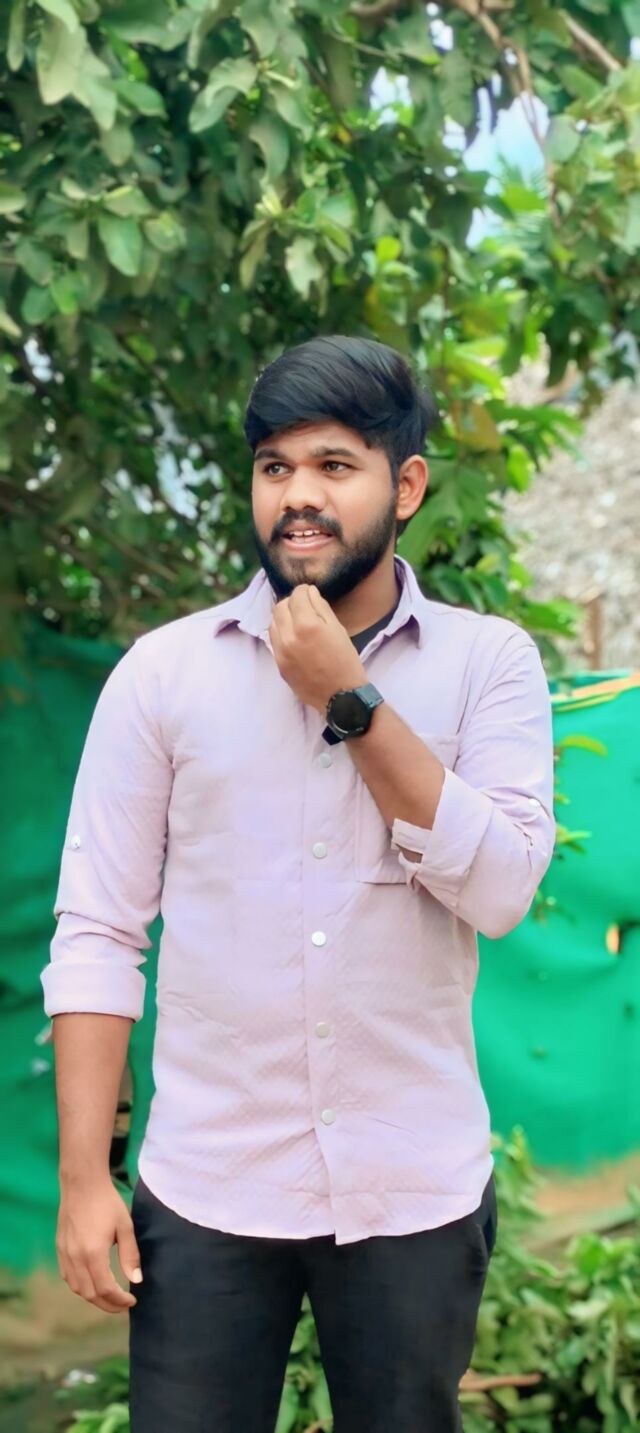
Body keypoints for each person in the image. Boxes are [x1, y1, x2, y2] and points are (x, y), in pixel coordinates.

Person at [41, 335, 556, 1432]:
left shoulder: (489, 663)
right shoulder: (164, 674)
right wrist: (86, 1179)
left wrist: (349, 698)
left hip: (412, 1188)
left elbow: (503, 888)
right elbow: (97, 930)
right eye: (275, 467)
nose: (298, 496)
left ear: (405, 485)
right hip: (208, 1188)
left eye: (333, 465)